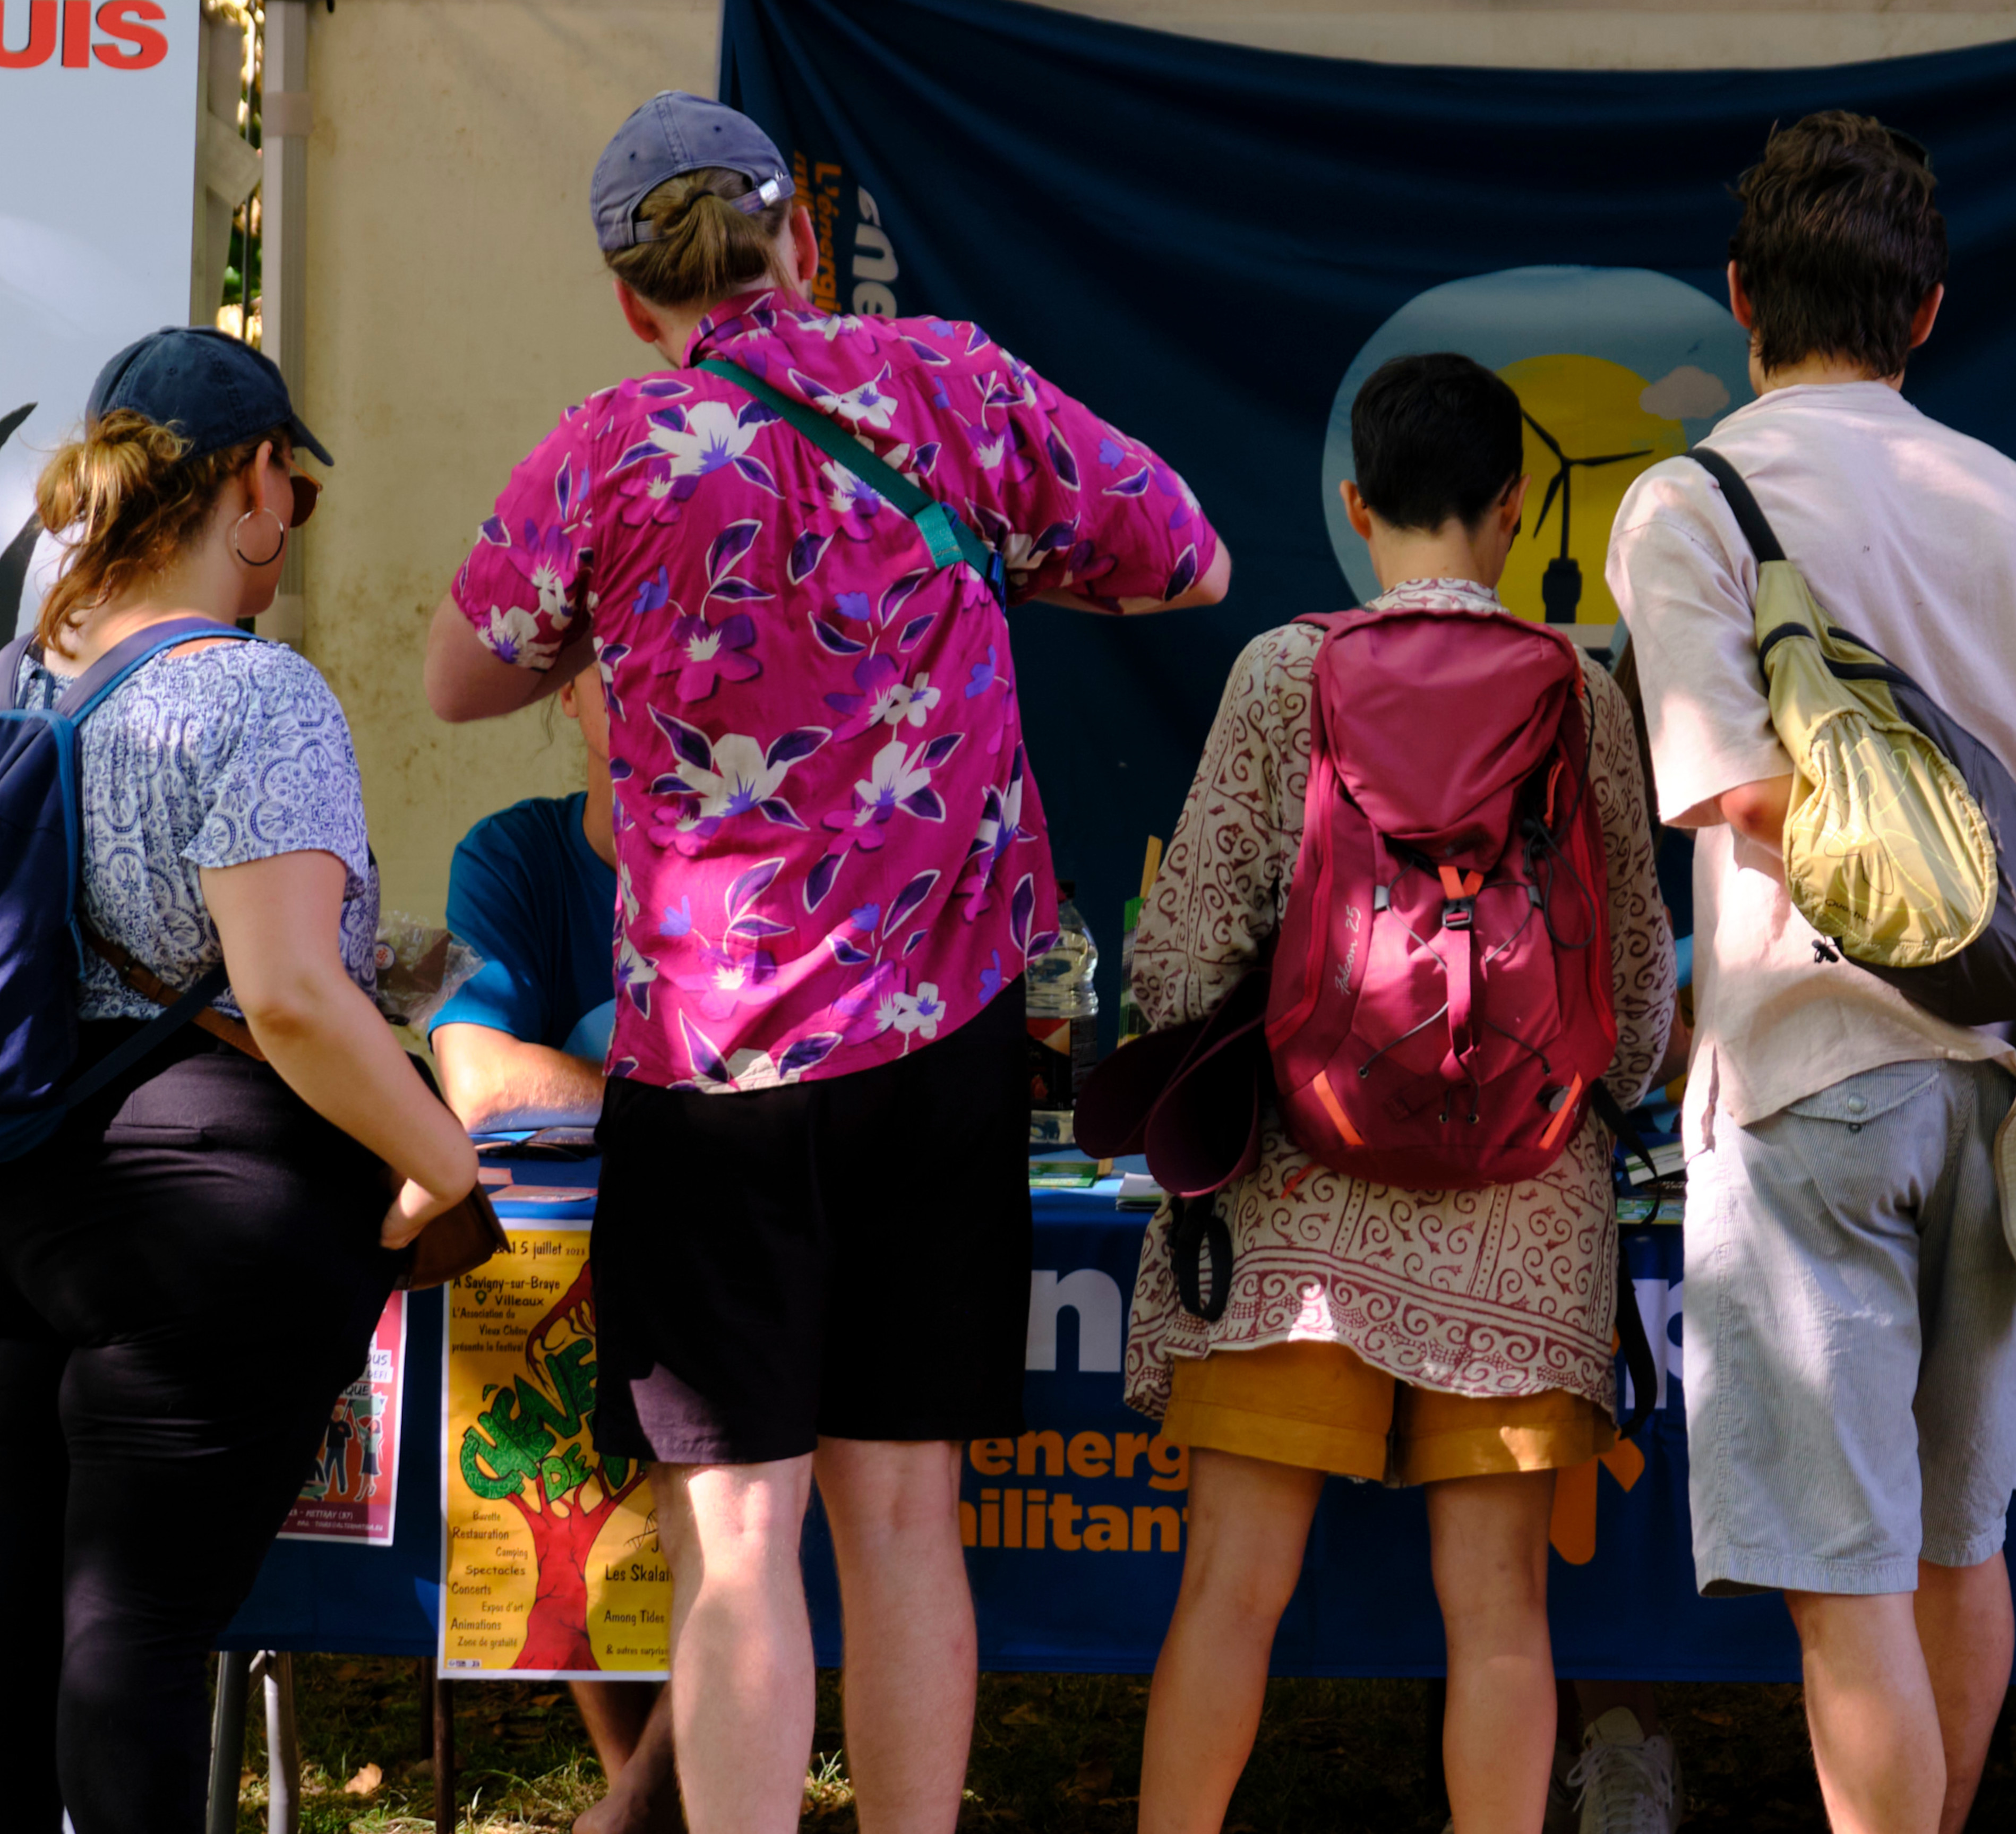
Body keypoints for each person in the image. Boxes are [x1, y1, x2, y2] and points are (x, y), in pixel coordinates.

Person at [425, 92, 1228, 1834]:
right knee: (905, 1519)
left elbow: (459, 676)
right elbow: (1186, 550)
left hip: (710, 1067)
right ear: (801, 239)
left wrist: (616, 614)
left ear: (635, 295)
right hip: (943, 1049)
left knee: (739, 1545)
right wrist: (1003, 562)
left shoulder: (610, 447)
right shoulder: (951, 384)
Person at [1605, 113, 2016, 1834]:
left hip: (1806, 1073)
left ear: (1742, 294)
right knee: (1956, 1546)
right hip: (2014, 1084)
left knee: (1843, 1580)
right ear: (1928, 311)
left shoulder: (1692, 503)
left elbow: (1728, 788)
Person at [1121, 353, 1676, 1834]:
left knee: (1230, 1592)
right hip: (1519, 1213)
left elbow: (1183, 965)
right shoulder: (1583, 693)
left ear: (1356, 507)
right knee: (1495, 1613)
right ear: (1511, 511)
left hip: (1293, 1216)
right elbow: (1633, 984)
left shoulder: (1279, 676)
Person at [0, 329, 482, 1834]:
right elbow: (283, 995)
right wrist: (446, 1160)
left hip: (46, 1193)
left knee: (56, 1635)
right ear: (253, 487)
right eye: (301, 491)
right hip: (220, 1215)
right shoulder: (256, 697)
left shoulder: (46, 681)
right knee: (137, 1639)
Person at [427, 663, 677, 1834]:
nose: (638, 693)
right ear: (562, 696)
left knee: (769, 1491)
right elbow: (477, 1079)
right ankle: (644, 1790)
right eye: (604, 669)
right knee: (549, 1443)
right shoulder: (515, 854)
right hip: (566, 1269)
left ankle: (642, 1800)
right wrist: (687, 1120)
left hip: (745, 1261)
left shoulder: (774, 862)